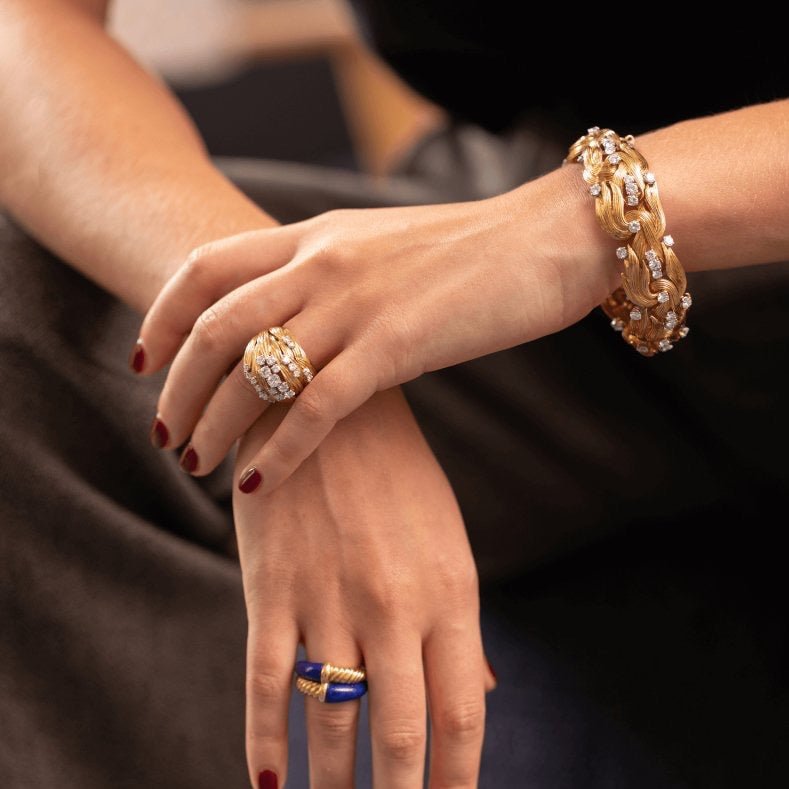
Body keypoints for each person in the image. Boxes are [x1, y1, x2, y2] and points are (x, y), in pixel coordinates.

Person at [1, 2, 787, 788]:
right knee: (28, 310)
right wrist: (276, 343)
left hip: (650, 227)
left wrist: (570, 230)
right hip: (532, 243)